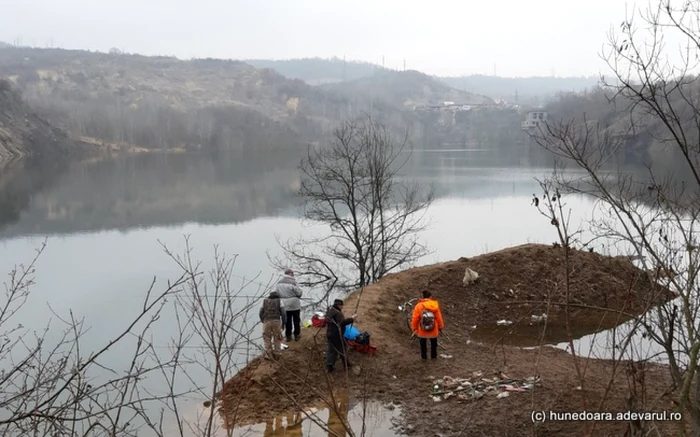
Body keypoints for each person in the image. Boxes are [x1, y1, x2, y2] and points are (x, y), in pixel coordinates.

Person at [411, 290, 445, 360]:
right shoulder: (434, 305)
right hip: (433, 328)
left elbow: (415, 318)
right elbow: (439, 317)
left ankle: (424, 357)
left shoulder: (418, 306)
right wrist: (440, 327)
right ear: (430, 296)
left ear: (423, 297)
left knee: (423, 343)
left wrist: (414, 328)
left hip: (422, 329)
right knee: (433, 343)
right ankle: (434, 356)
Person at [325, 298, 356, 372]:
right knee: (342, 349)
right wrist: (352, 319)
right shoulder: (338, 313)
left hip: (329, 334)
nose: (342, 307)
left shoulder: (330, 310)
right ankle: (346, 365)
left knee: (331, 350)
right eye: (342, 305)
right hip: (337, 335)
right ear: (339, 305)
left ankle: (329, 366)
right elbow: (342, 323)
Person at [275, 268, 303, 342]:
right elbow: (299, 293)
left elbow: (277, 294)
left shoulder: (279, 283)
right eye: (292, 273)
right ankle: (296, 335)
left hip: (284, 305)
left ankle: (288, 336)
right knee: (296, 320)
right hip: (295, 304)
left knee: (288, 320)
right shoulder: (293, 283)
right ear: (290, 274)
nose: (293, 274)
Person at [259, 290, 287, 360]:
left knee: (267, 338)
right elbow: (283, 313)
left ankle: (268, 355)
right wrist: (284, 323)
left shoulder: (265, 301)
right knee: (277, 337)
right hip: (276, 321)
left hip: (267, 321)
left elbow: (260, 312)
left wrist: (262, 320)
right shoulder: (279, 301)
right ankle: (277, 354)